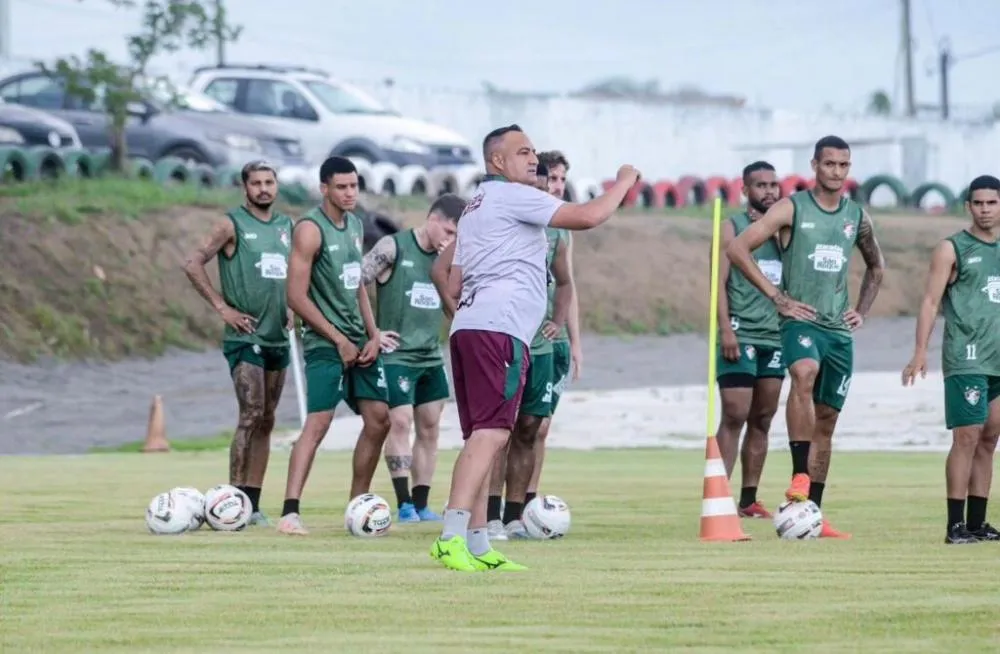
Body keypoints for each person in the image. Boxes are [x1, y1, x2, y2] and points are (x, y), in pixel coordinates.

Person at [429, 123, 640, 572]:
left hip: (470, 327)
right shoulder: (510, 195)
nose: (533, 159)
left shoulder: (476, 206)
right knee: (492, 435)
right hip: (499, 331)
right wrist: (622, 181)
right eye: (523, 152)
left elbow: (452, 278)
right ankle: (450, 539)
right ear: (497, 162)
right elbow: (587, 217)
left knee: (480, 438)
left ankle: (479, 545)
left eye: (534, 152)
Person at [725, 135, 885, 539]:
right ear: (815, 166)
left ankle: (813, 509)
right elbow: (738, 249)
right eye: (829, 164)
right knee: (803, 373)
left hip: (838, 330)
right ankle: (799, 474)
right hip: (801, 322)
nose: (836, 172)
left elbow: (876, 267)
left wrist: (861, 311)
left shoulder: (856, 217)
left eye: (843, 165)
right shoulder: (791, 208)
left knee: (827, 422)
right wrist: (778, 297)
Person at [279, 156, 391, 536]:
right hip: (325, 342)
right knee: (319, 423)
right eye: (341, 187)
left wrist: (372, 333)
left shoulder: (357, 225)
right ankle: (290, 513)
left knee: (379, 420)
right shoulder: (309, 230)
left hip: (358, 340)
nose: (349, 193)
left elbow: (357, 283)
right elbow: (295, 295)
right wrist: (338, 338)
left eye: (354, 186)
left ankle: (357, 506)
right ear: (324, 188)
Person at [183, 160, 293, 527]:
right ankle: (230, 503)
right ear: (245, 188)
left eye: (269, 182)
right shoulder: (231, 224)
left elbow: (293, 274)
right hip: (245, 337)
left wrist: (294, 308)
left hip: (279, 335)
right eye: (256, 183)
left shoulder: (286, 227)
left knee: (267, 419)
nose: (264, 188)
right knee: (250, 414)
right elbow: (193, 262)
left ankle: (253, 503)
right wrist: (221, 307)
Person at [902, 175, 1000, 544]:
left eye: (992, 203)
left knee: (990, 439)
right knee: (967, 437)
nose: (985, 210)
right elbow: (930, 301)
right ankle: (955, 525)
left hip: (998, 358)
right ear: (968, 206)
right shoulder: (952, 248)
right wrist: (919, 351)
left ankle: (977, 523)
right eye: (979, 203)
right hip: (967, 356)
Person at [358, 193, 467, 523]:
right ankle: (403, 503)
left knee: (431, 426)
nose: (451, 241)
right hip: (396, 355)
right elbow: (354, 283)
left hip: (431, 355)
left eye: (457, 236)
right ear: (432, 220)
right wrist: (372, 332)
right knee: (400, 421)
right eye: (448, 232)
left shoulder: (449, 260)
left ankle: (421, 503)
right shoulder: (393, 247)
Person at [484, 158, 574, 540]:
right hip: (505, 341)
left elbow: (566, 282)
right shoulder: (499, 223)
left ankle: (515, 516)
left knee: (530, 429)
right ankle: (487, 515)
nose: (544, 194)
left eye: (549, 187)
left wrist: (559, 320)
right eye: (538, 187)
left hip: (539, 347)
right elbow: (450, 272)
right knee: (497, 432)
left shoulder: (558, 235)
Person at [714, 161, 784, 519]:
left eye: (774, 185)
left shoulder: (786, 231)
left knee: (764, 417)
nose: (769, 191)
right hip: (740, 334)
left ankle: (749, 499)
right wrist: (726, 328)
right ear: (746, 190)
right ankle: (720, 498)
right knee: (734, 413)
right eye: (761, 185)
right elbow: (717, 284)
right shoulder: (732, 227)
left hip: (776, 337)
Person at [525, 150, 583, 506]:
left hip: (553, 339)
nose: (557, 186)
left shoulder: (563, 231)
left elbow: (568, 287)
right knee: (518, 427)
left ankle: (529, 499)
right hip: (522, 337)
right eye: (552, 178)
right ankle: (497, 505)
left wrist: (574, 341)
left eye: (563, 179)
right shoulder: (522, 219)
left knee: (541, 427)